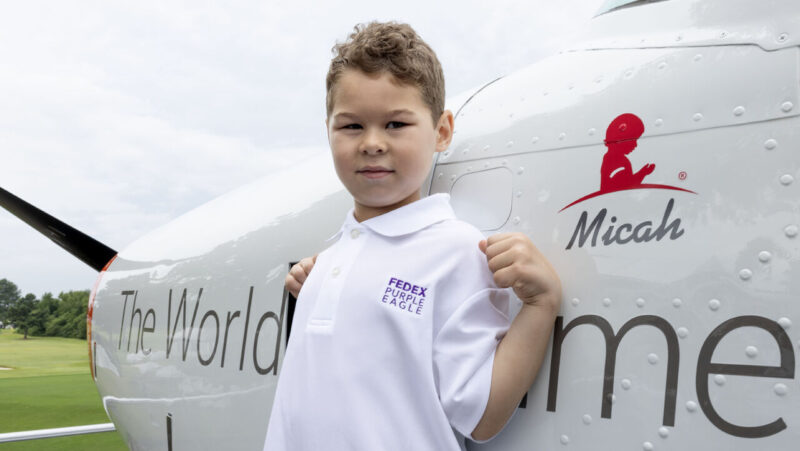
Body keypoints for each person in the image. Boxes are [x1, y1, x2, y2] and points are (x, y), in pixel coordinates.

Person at [264, 21, 561, 451]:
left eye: (396, 124)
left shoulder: (458, 251)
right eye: (350, 126)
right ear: (328, 130)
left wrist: (540, 304)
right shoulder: (329, 259)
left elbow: (480, 416)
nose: (371, 143)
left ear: (441, 131)